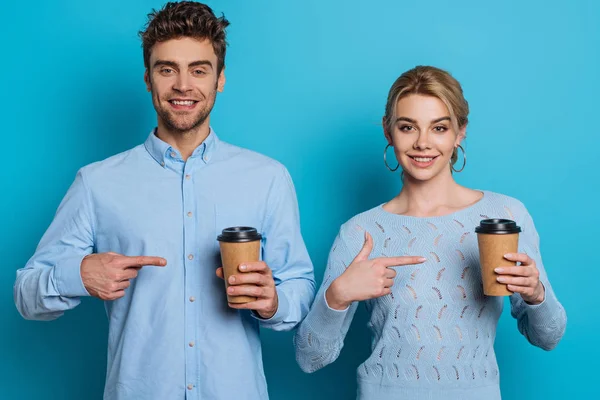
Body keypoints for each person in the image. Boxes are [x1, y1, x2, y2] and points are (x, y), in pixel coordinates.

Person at [14, 2, 315, 399]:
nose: (183, 85)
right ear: (148, 78)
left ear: (220, 79)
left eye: (199, 69)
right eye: (167, 69)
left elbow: (301, 284)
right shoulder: (97, 183)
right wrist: (79, 274)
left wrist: (273, 301)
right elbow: (27, 295)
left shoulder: (267, 178)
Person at [294, 66, 566, 399]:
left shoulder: (504, 216)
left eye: (439, 128)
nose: (423, 143)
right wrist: (336, 297)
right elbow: (310, 358)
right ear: (388, 131)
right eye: (408, 127)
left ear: (459, 133)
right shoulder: (360, 232)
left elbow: (548, 337)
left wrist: (536, 294)